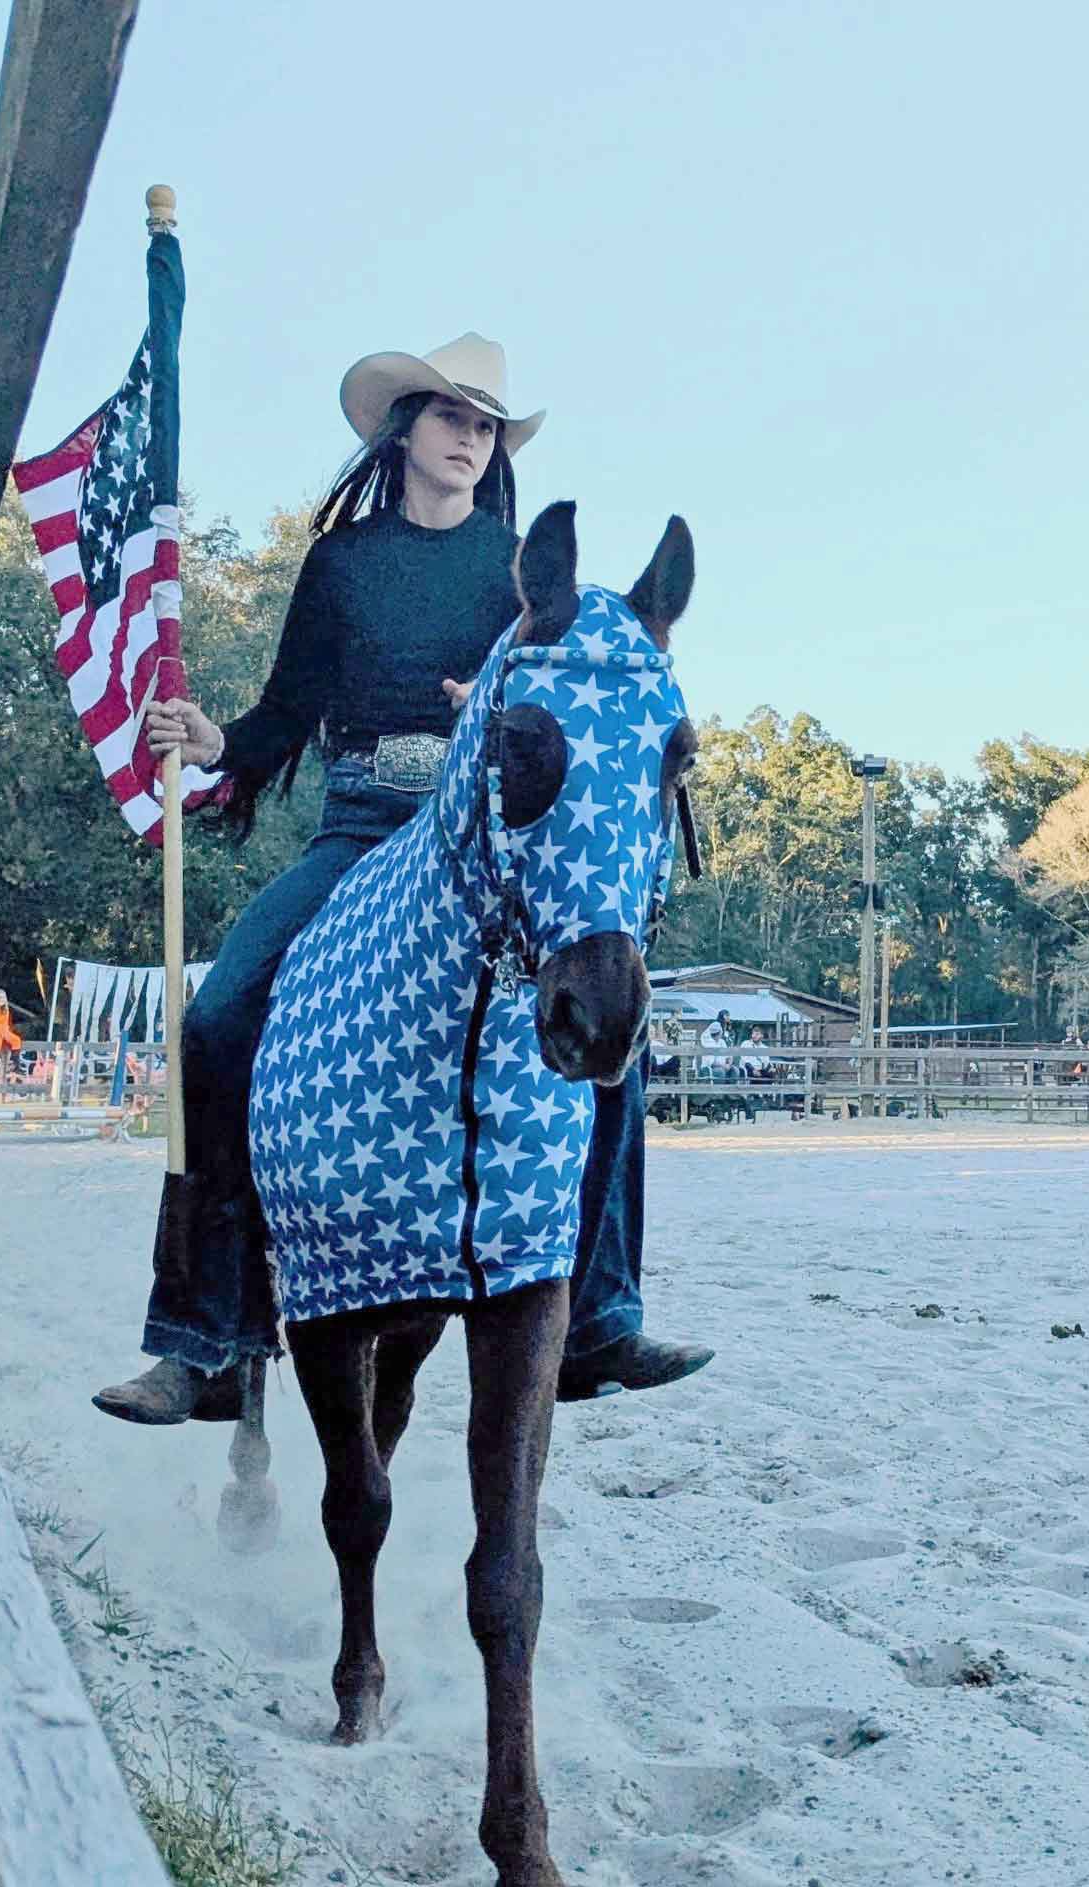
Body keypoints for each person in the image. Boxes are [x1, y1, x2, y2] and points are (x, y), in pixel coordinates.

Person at [93, 332, 714, 1426]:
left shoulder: (522, 571)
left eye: (485, 427)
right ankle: (204, 1337)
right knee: (218, 1015)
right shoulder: (340, 561)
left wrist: (497, 694)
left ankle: (601, 1310)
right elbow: (285, 713)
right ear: (405, 429)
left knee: (618, 1020)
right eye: (451, 420)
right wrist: (209, 738)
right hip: (356, 820)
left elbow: (565, 708)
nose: (469, 442)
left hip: (475, 838)